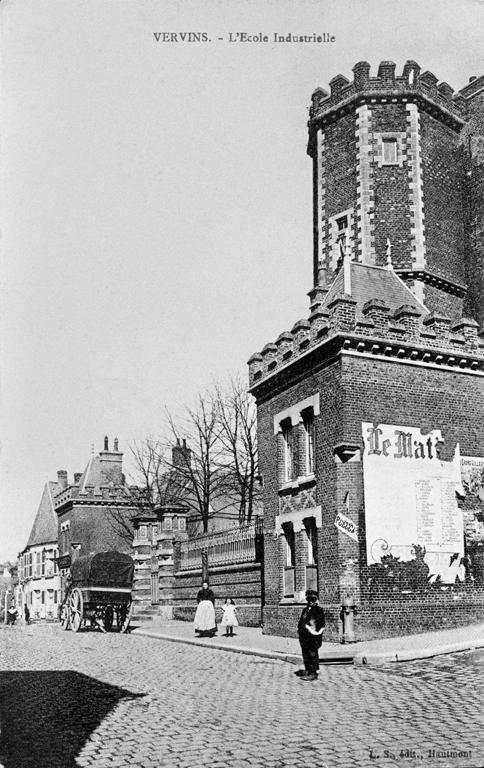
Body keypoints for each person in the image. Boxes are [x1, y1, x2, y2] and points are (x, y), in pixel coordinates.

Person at [296, 589, 325, 682]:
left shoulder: (318, 610)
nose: (311, 602)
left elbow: (321, 624)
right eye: (309, 600)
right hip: (304, 636)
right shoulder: (305, 610)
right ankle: (308, 670)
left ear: (316, 600)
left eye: (313, 600)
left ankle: (313, 672)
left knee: (312, 653)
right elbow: (302, 621)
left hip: (313, 636)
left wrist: (317, 634)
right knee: (305, 653)